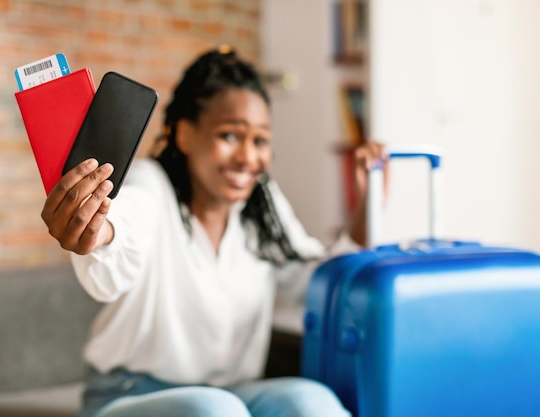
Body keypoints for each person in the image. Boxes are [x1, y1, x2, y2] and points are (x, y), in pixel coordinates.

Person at [41, 46, 386, 417]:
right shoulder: (152, 184)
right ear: (186, 136)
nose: (247, 158)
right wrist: (98, 229)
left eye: (260, 141)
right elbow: (122, 228)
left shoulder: (261, 204)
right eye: (230, 136)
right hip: (128, 395)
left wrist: (369, 203)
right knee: (214, 410)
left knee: (309, 401)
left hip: (231, 394)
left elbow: (315, 280)